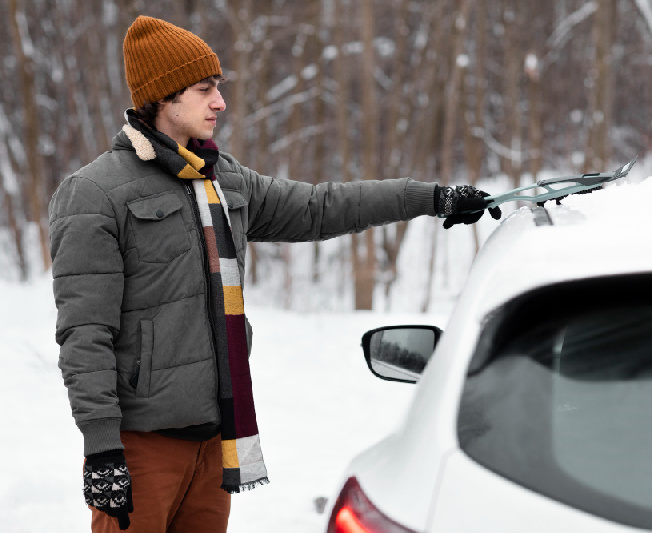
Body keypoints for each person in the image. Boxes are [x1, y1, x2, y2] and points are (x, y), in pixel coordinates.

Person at [48, 15, 500, 533]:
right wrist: (103, 447)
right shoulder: (95, 194)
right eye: (204, 89)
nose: (220, 102)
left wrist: (429, 198)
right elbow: (85, 333)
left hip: (216, 442)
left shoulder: (221, 178)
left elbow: (319, 207)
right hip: (143, 447)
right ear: (163, 97)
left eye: (218, 88)